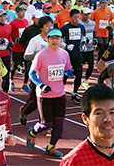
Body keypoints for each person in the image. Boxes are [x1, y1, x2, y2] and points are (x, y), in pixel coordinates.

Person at [60, 85, 114, 166]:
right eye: (99, 113)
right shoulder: (74, 160)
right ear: (85, 119)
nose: (107, 119)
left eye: (112, 112)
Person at [27, 29, 73, 157]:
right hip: (44, 95)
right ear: (48, 40)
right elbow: (32, 73)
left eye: (57, 38)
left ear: (61, 40)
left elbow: (67, 69)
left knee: (59, 124)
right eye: (52, 38)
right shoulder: (41, 55)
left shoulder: (64, 54)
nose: (55, 40)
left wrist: (72, 72)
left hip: (60, 94)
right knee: (46, 124)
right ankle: (32, 133)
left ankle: (51, 147)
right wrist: (41, 85)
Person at [20, 16, 53, 125]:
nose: (49, 27)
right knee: (36, 100)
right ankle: (24, 111)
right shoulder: (35, 40)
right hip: (37, 75)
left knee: (51, 99)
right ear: (41, 28)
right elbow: (26, 56)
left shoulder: (54, 39)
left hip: (51, 74)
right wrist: (39, 54)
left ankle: (48, 123)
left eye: (51, 25)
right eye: (47, 25)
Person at [60, 9, 86, 104]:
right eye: (75, 17)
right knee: (65, 73)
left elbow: (83, 36)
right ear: (70, 17)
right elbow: (59, 40)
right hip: (66, 54)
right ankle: (61, 91)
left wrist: (84, 41)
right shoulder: (64, 28)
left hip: (77, 53)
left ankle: (75, 93)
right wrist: (66, 46)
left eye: (78, 17)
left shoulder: (81, 27)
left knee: (78, 72)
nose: (77, 19)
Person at [10, 4, 29, 92]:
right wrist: (14, 41)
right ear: (17, 13)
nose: (23, 13)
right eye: (21, 11)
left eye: (24, 11)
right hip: (16, 48)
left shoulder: (26, 21)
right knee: (14, 66)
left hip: (25, 48)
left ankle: (25, 84)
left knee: (28, 67)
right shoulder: (13, 23)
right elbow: (9, 34)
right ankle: (11, 81)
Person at [79, 7, 96, 89]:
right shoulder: (79, 24)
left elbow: (94, 33)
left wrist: (95, 40)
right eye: (85, 14)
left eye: (88, 14)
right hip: (81, 49)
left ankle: (85, 80)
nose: (87, 16)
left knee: (91, 66)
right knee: (79, 67)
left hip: (90, 48)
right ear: (81, 14)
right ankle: (77, 81)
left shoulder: (93, 23)